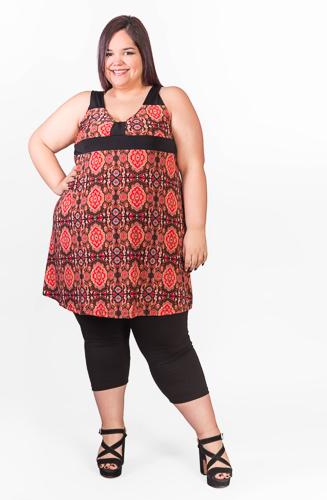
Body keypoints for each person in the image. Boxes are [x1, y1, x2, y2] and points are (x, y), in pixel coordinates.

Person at [28, 15, 233, 488]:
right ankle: (112, 435)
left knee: (169, 345)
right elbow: (38, 142)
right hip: (88, 248)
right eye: (109, 53)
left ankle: (211, 441)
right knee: (102, 341)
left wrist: (196, 228)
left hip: (155, 248)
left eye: (127, 52)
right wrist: (60, 184)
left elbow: (193, 166)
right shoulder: (85, 104)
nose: (116, 62)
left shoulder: (170, 99)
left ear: (144, 55)